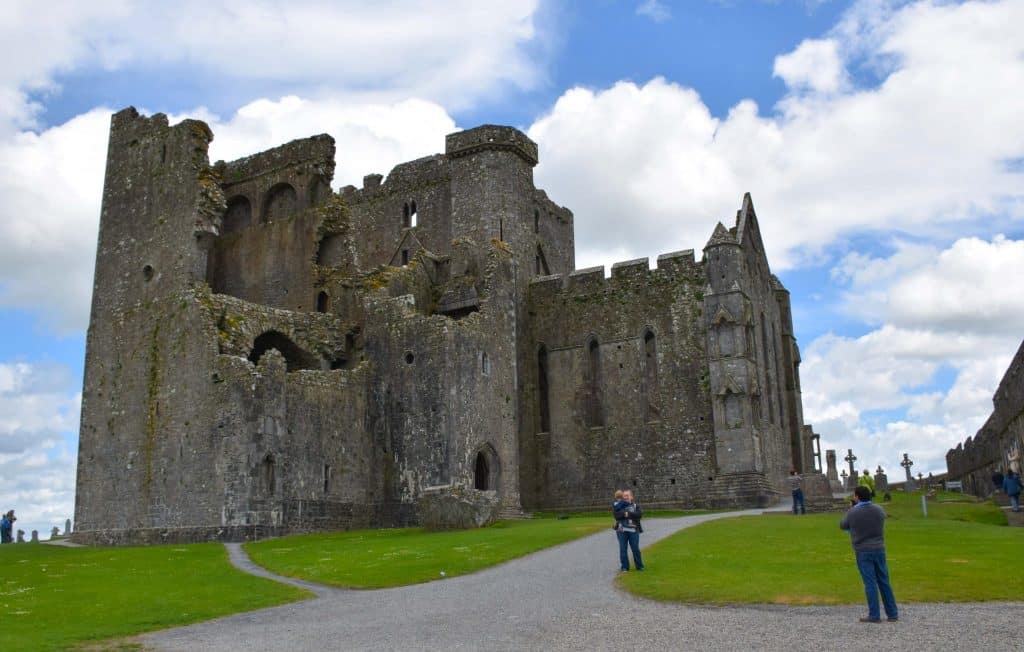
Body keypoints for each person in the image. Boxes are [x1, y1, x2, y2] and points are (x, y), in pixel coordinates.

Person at [840, 485, 898, 623]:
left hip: (863, 550)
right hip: (879, 548)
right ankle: (892, 613)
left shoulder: (853, 512)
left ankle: (874, 615)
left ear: (857, 497)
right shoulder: (878, 509)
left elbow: (843, 525)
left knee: (870, 583)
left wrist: (851, 509)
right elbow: (881, 518)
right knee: (884, 581)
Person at [613, 489, 644, 572]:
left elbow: (639, 515)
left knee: (635, 548)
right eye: (624, 495)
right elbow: (616, 515)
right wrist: (624, 514)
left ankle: (639, 566)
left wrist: (628, 514)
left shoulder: (635, 506)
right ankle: (624, 567)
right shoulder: (618, 505)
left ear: (631, 497)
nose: (625, 497)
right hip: (621, 530)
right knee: (623, 549)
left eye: (627, 495)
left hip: (633, 530)